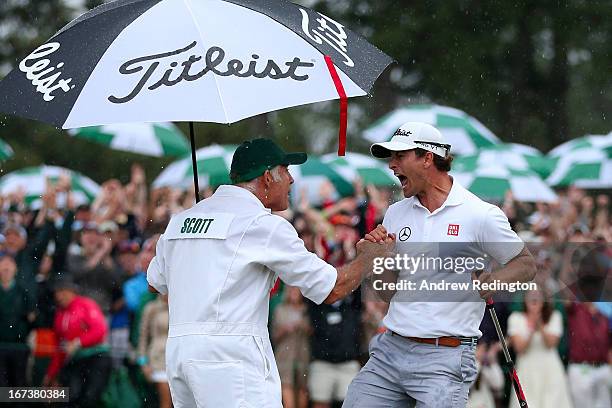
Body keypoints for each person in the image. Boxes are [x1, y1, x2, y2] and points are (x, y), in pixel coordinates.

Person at [147, 138, 395, 408]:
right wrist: (367, 258)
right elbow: (331, 289)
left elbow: (155, 283)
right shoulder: (262, 225)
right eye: (286, 170)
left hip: (181, 354)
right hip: (231, 357)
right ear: (267, 177)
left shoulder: (180, 221)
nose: (291, 180)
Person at [343, 122, 537, 407]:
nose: (392, 166)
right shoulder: (395, 213)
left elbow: (526, 264)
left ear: (427, 158)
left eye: (399, 157)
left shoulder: (480, 214)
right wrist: (377, 262)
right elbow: (388, 293)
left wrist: (495, 280)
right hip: (390, 351)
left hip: (444, 359)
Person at [43, 277, 112, 407]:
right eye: (57, 292)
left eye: (63, 291)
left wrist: (78, 342)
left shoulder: (86, 304)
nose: (60, 296)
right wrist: (51, 374)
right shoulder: (60, 314)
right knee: (70, 397)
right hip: (75, 360)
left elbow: (100, 330)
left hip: (96, 357)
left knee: (90, 397)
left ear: (72, 291)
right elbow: (60, 348)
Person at [507, 290, 573, 408]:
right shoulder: (515, 318)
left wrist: (540, 325)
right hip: (526, 370)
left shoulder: (554, 316)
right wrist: (532, 328)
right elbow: (519, 348)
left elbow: (551, 344)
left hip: (550, 369)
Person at [0, 254, 36, 387]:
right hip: (1, 345)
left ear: (16, 269)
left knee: (19, 384)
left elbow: (32, 317)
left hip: (19, 346)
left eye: (10, 263)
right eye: (3, 263)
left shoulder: (23, 292)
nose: (6, 267)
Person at [272, 286, 311, 408]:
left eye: (297, 290)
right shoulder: (280, 309)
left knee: (302, 386)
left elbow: (314, 332)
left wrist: (303, 326)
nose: (294, 293)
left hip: (302, 354)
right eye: (291, 290)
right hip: (284, 355)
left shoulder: (306, 310)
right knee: (286, 384)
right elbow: (274, 335)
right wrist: (285, 329)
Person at [137, 294, 171, 408]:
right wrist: (143, 362)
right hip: (158, 358)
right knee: (165, 401)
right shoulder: (151, 308)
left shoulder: (181, 307)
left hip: (177, 357)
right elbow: (143, 337)